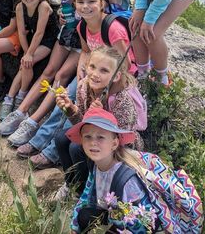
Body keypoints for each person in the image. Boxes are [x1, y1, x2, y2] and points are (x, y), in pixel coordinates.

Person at [0, 0, 119, 142]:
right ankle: (20, 112)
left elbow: (114, 9)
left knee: (61, 75)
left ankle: (32, 122)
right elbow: (68, 7)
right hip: (71, 32)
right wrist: (65, 15)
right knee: (49, 71)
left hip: (88, 37)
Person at [16, 0, 135, 169]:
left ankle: (50, 152)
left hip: (114, 82)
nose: (85, 6)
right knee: (64, 100)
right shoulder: (82, 26)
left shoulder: (113, 29)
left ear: (102, 3)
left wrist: (100, 87)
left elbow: (125, 65)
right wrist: (82, 75)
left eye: (91, 1)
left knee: (78, 107)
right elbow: (86, 51)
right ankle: (40, 141)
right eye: (80, 2)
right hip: (94, 73)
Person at [54, 46, 144, 200]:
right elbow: (82, 125)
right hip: (94, 136)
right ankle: (71, 183)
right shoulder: (83, 86)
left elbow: (121, 139)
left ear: (115, 76)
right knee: (61, 138)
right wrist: (70, 109)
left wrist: (101, 118)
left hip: (119, 147)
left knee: (77, 147)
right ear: (86, 66)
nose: (95, 74)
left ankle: (84, 192)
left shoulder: (122, 100)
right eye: (92, 67)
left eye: (104, 71)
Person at [67, 108, 155, 233]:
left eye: (101, 137)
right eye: (87, 137)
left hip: (128, 226)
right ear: (81, 141)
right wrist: (74, 226)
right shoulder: (96, 166)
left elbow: (146, 222)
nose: (93, 142)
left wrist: (117, 218)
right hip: (110, 216)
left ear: (114, 144)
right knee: (84, 215)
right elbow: (86, 197)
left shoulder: (127, 179)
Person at [0, 0, 59, 122]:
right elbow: (21, 33)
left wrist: (29, 54)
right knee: (24, 63)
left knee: (26, 63)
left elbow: (40, 32)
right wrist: (26, 52)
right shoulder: (19, 7)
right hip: (32, 39)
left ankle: (20, 95)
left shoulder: (43, 6)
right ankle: (10, 98)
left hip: (47, 40)